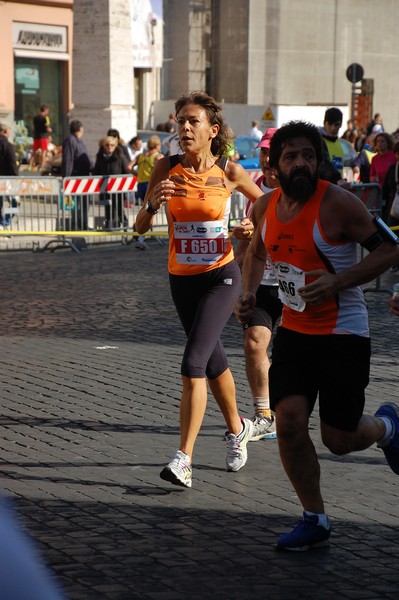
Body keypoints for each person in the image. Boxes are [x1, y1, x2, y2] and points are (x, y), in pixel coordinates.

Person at [234, 120, 399, 551]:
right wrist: (249, 293)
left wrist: (338, 281)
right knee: (288, 424)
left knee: (338, 439)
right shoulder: (265, 207)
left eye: (309, 155)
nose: (302, 163)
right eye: (291, 156)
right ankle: (315, 518)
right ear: (275, 164)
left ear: (318, 161)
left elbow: (390, 248)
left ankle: (387, 428)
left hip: (344, 332)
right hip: (296, 331)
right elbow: (255, 252)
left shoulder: (339, 204)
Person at [134, 91, 262, 488]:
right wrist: (152, 204)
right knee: (212, 360)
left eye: (193, 121)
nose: (184, 128)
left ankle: (183, 459)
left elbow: (268, 208)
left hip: (221, 275)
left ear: (212, 130)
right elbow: (139, 226)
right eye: (180, 121)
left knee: (193, 363)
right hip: (181, 279)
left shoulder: (230, 171)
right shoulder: (164, 167)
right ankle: (238, 427)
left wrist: (251, 229)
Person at [233, 128, 281, 441]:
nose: (266, 159)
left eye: (273, 153)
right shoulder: (249, 192)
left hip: (297, 285)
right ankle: (264, 413)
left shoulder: (304, 193)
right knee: (254, 342)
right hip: (261, 281)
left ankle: (287, 407)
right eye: (264, 152)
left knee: (291, 354)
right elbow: (239, 249)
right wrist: (239, 240)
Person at [92, 135, 133, 229]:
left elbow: (126, 171)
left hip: (118, 188)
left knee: (118, 207)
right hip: (105, 187)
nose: (109, 147)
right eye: (107, 145)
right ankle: (109, 225)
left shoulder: (120, 156)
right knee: (107, 206)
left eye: (112, 145)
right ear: (103, 146)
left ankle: (125, 224)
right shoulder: (100, 157)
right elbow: (97, 170)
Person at [134, 134, 164, 250]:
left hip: (140, 184)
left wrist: (137, 175)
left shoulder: (141, 156)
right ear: (157, 145)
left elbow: (129, 166)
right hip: (149, 185)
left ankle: (144, 234)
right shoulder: (157, 156)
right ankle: (141, 238)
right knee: (150, 210)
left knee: (145, 209)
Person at [61, 120, 93, 230]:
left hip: (83, 178)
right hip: (75, 177)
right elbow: (68, 160)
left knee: (84, 203)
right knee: (75, 204)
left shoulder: (78, 141)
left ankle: (83, 223)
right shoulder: (70, 141)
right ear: (80, 129)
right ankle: (76, 224)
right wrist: (66, 178)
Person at [318, 107, 348, 186]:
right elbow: (324, 164)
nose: (333, 128)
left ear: (341, 124)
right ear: (324, 123)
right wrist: (337, 178)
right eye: (330, 124)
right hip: (323, 188)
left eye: (336, 124)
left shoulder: (339, 143)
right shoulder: (319, 140)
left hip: (336, 188)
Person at [0, 123, 18, 227]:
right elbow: (12, 164)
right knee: (14, 203)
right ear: (5, 131)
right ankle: (6, 222)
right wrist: (16, 178)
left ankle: (0, 223)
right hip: (8, 180)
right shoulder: (8, 146)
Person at [30, 105, 52, 170]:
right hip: (43, 137)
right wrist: (49, 129)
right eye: (47, 111)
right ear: (45, 111)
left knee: (34, 152)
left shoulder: (35, 118)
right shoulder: (45, 118)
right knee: (43, 151)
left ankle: (30, 165)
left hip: (36, 136)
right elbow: (46, 127)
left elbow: (34, 127)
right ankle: (42, 166)